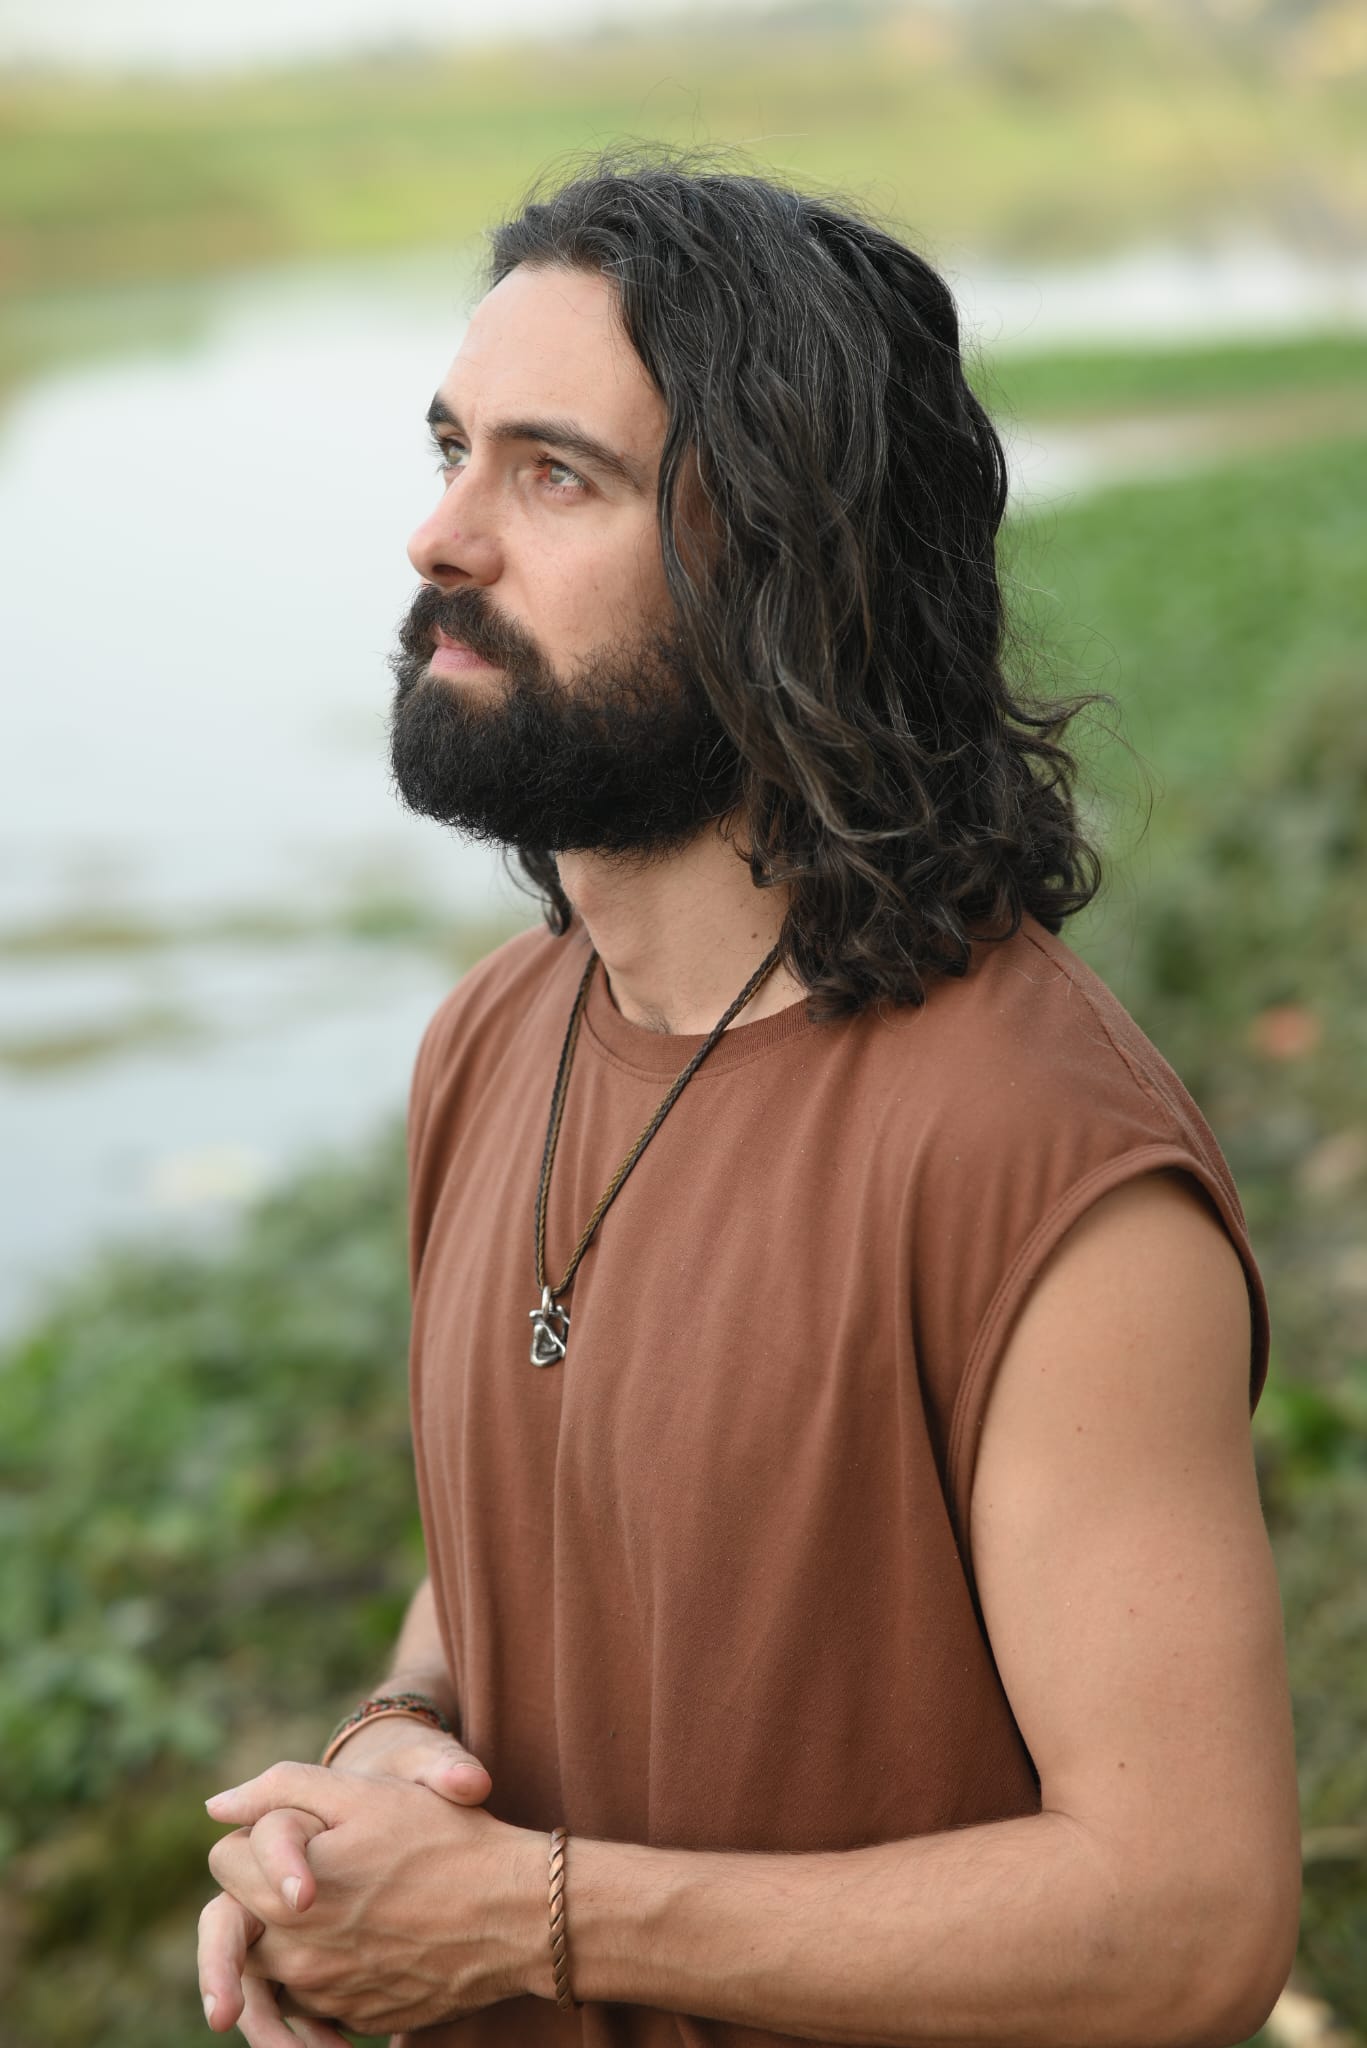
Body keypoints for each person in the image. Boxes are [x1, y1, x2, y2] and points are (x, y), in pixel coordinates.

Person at [197, 148, 1301, 2048]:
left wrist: (527, 1922)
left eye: (556, 475)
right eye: (452, 449)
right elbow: (539, 1528)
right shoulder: (491, 1039)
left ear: (785, 565)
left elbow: (1188, 1924)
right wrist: (394, 1745)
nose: (441, 537)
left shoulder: (1038, 1160)